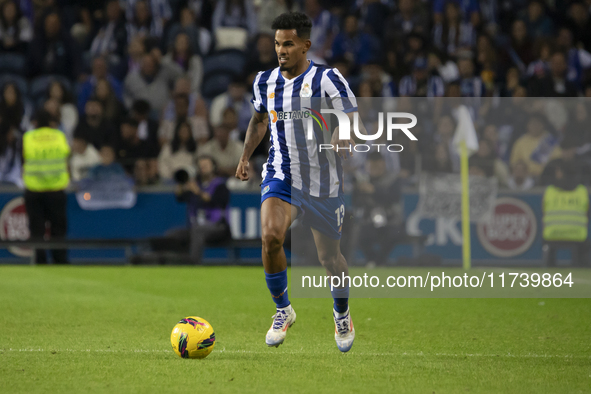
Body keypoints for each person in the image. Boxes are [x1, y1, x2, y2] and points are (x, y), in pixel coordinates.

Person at [235, 12, 357, 352]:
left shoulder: (327, 78)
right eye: (277, 44)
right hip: (281, 173)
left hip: (323, 182)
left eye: (288, 43)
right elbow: (259, 121)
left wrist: (343, 133)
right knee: (271, 237)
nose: (281, 50)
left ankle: (342, 312)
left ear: (306, 45)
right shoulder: (264, 81)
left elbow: (350, 113)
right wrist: (245, 156)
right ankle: (282, 310)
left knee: (329, 259)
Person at [22, 109, 70, 264]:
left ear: (34, 122)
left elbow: (23, 159)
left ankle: (40, 261)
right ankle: (60, 261)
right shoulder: (59, 136)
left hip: (34, 190)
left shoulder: (28, 138)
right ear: (50, 122)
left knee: (37, 231)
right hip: (56, 190)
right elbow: (66, 155)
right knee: (58, 230)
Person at [542, 162, 590, 266]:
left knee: (545, 241)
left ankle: (550, 268)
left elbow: (544, 212)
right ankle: (583, 269)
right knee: (585, 246)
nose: (556, 173)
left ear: (563, 173)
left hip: (552, 235)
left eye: (558, 171)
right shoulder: (582, 191)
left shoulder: (550, 191)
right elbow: (587, 213)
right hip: (577, 236)